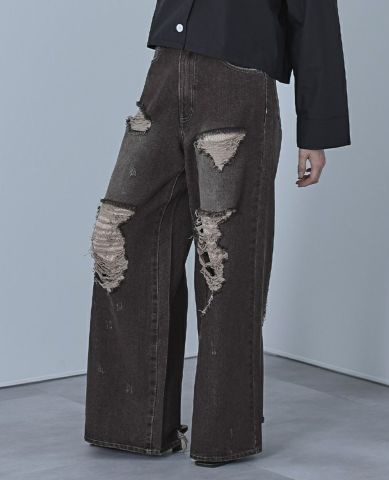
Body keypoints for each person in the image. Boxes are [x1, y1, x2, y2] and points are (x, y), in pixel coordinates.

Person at [84, 0, 351, 468]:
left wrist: (317, 131)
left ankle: (223, 435)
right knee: (120, 234)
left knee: (223, 257)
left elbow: (315, 18)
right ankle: (130, 426)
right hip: (166, 72)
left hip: (238, 82)